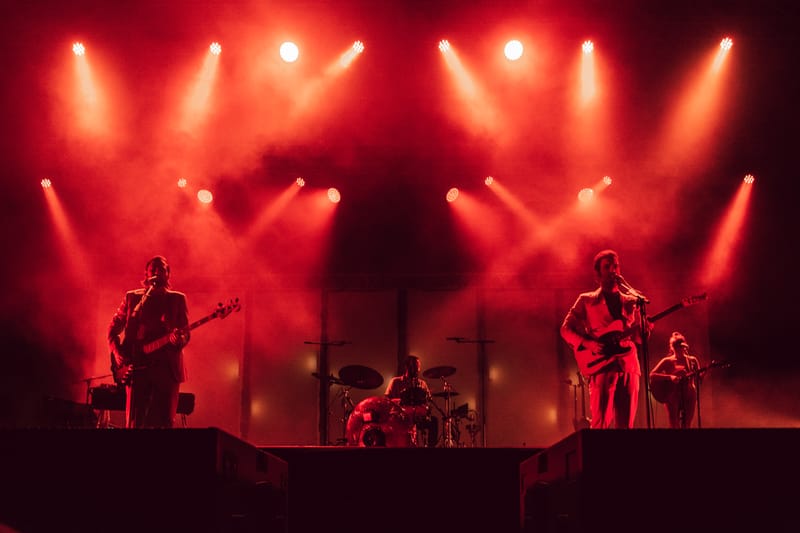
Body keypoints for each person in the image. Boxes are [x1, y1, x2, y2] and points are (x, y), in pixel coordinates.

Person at [560, 249, 652, 429]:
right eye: (607, 267)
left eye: (616, 266)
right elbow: (565, 329)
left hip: (628, 364)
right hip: (601, 365)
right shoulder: (587, 300)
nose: (613, 270)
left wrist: (645, 331)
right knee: (601, 423)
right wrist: (588, 343)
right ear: (598, 274)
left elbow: (639, 339)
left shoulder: (631, 301)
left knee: (626, 425)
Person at [108, 256, 189, 428]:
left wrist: (178, 340)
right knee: (134, 423)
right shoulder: (132, 298)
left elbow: (185, 333)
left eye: (162, 269)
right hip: (136, 368)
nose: (157, 271)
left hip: (166, 369)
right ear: (146, 273)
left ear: (168, 274)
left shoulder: (177, 299)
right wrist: (117, 352)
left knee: (164, 422)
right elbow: (113, 329)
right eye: (153, 268)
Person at [649, 331, 702, 428]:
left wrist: (707, 371)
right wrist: (670, 377)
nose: (681, 349)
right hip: (672, 394)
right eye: (678, 347)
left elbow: (699, 378)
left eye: (682, 347)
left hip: (690, 394)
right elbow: (652, 375)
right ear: (673, 348)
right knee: (674, 424)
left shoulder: (692, 360)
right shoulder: (667, 361)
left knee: (687, 424)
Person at [385, 355, 438, 447]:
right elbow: (386, 400)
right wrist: (401, 401)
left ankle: (430, 447)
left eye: (418, 366)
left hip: (417, 416)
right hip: (400, 416)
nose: (418, 369)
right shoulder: (395, 382)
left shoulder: (422, 383)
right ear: (407, 367)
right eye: (415, 366)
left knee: (434, 421)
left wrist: (425, 405)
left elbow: (428, 402)